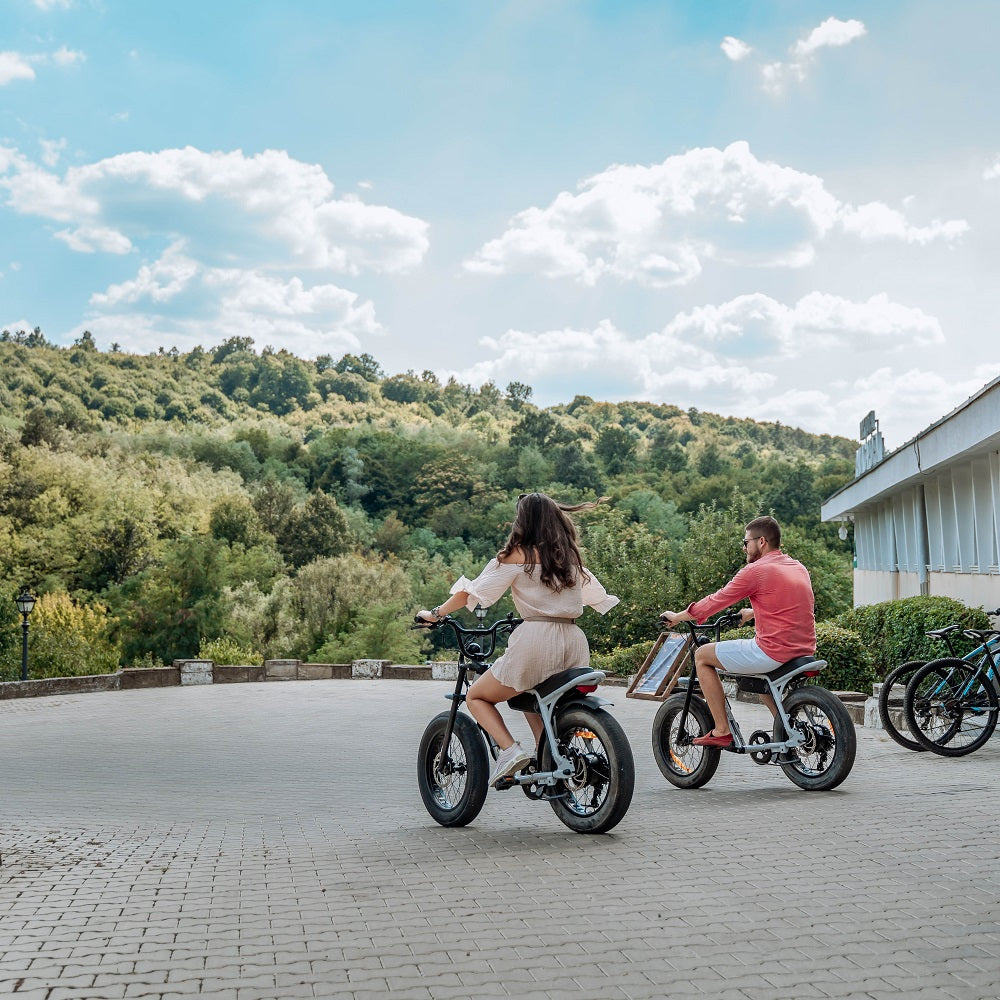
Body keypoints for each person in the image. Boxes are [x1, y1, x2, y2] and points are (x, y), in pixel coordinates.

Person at [417, 492, 619, 787]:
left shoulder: (516, 555)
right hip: (574, 641)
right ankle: (546, 757)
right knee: (532, 696)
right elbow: (594, 596)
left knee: (477, 696)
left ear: (523, 521)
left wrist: (434, 614)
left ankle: (510, 751)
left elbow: (471, 594)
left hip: (536, 639)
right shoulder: (568, 556)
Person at [658, 516, 815, 749]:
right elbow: (792, 602)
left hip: (773, 651)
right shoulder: (797, 567)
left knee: (702, 655)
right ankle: (786, 726)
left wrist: (678, 616)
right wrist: (753, 612)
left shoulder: (755, 570)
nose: (744, 547)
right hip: (804, 649)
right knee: (757, 678)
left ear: (761, 541)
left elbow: (716, 601)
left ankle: (721, 730)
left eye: (746, 542)